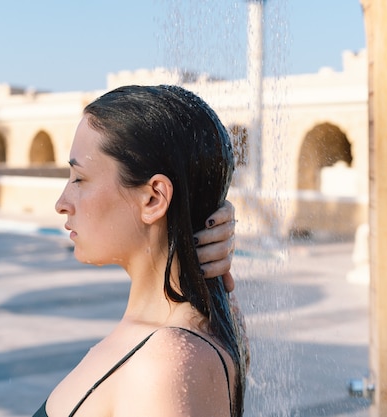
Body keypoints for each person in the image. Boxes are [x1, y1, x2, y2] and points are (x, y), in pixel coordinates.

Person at [33, 85, 247, 417]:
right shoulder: (179, 339)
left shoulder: (165, 363)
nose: (62, 204)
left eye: (79, 179)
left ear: (153, 199)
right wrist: (200, 209)